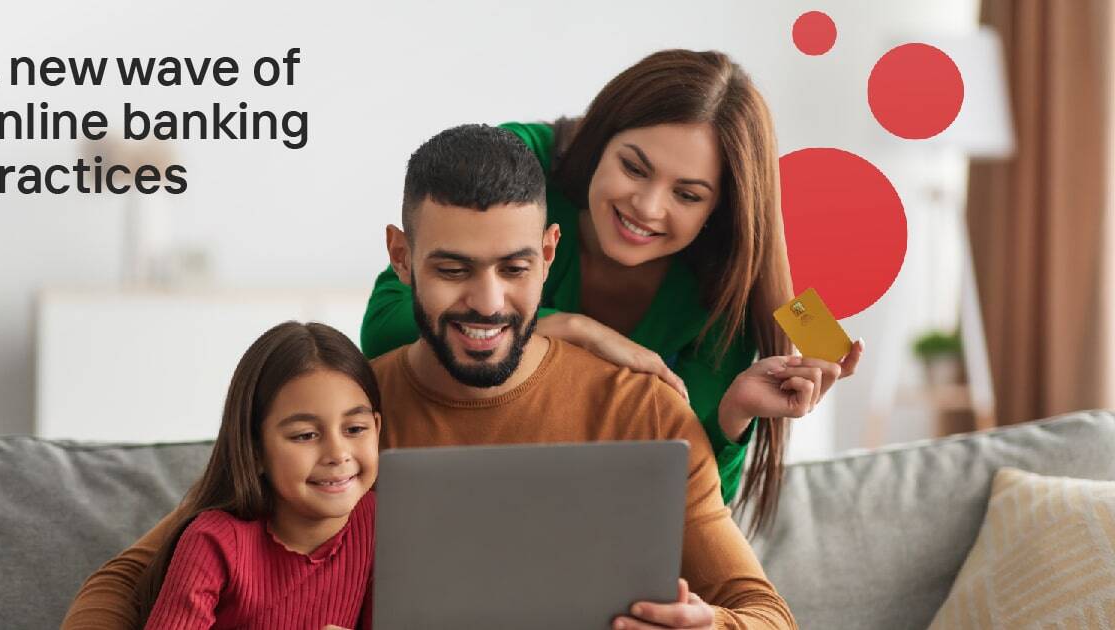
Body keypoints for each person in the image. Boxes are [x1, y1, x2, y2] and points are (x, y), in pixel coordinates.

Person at [63, 124, 799, 629]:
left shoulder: (644, 412)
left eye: (514, 269)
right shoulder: (344, 417)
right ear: (402, 257)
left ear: (549, 254)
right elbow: (122, 584)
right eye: (452, 268)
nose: (486, 303)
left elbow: (766, 613)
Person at [361, 49, 863, 531]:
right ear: (600, 139)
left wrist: (737, 413)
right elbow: (385, 326)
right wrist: (571, 329)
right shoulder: (522, 168)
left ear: (719, 209)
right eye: (634, 168)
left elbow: (692, 508)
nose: (646, 206)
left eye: (687, 195)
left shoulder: (718, 288)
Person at [134, 322, 381, 629]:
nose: (337, 453)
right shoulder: (213, 542)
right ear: (255, 450)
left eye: (355, 429)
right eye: (305, 435)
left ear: (377, 428)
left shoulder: (382, 526)